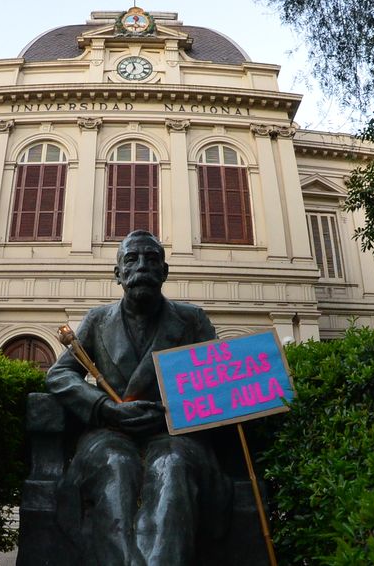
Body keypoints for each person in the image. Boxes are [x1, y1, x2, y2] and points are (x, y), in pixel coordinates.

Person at [45, 230, 231, 566]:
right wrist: (105, 408)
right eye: (131, 259)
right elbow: (59, 374)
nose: (141, 266)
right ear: (117, 273)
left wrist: (169, 413)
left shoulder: (191, 320)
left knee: (171, 468)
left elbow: (218, 382)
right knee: (116, 467)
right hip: (110, 432)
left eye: (151, 259)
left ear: (165, 271)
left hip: (173, 432)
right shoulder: (98, 320)